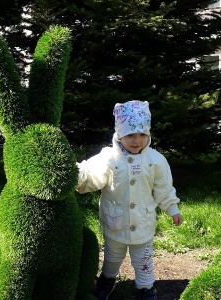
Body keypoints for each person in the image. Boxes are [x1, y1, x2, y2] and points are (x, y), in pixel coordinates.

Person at [76, 100, 183, 300]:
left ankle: (146, 287)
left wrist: (172, 208)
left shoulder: (155, 160)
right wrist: (76, 175)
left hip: (143, 222)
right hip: (115, 221)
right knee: (112, 256)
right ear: (119, 134)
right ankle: (107, 280)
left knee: (143, 259)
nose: (137, 140)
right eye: (130, 135)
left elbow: (163, 187)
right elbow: (92, 175)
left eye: (143, 134)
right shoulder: (109, 158)